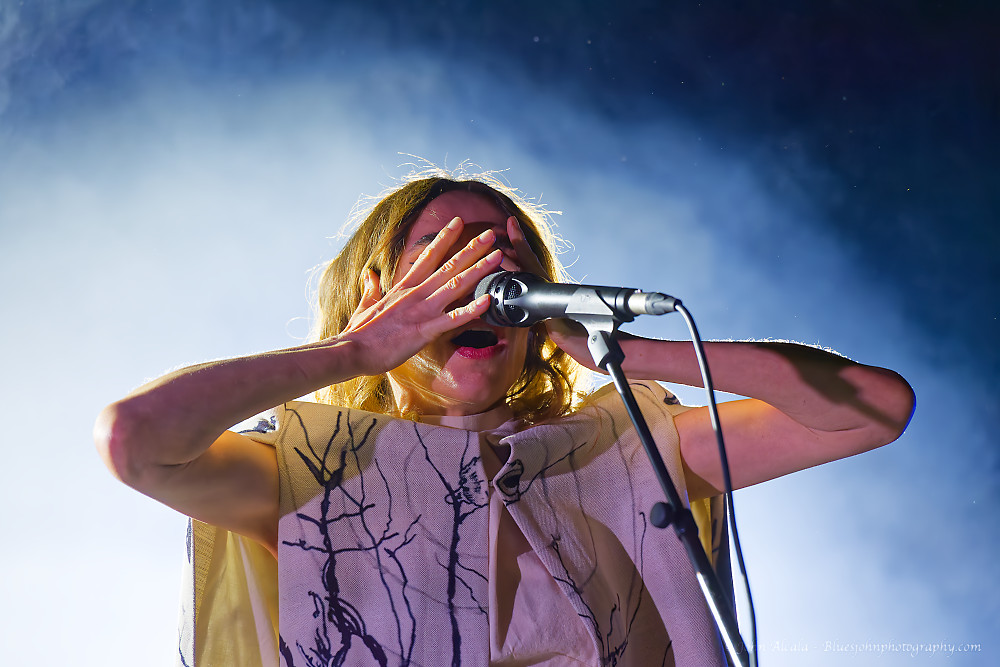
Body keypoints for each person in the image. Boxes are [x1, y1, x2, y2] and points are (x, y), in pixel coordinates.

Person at [95, 173, 915, 667]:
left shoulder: (628, 446)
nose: (491, 274)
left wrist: (632, 357)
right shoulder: (309, 467)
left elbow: (874, 408)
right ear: (379, 286)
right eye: (453, 252)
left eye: (508, 256)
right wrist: (354, 351)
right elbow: (137, 439)